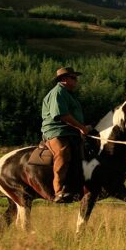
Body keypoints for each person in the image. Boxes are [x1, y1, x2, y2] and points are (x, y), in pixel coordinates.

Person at [41, 67, 92, 203]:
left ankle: (78, 187)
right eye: (73, 77)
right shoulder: (58, 92)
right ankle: (58, 192)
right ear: (64, 79)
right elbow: (62, 115)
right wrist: (81, 127)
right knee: (63, 154)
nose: (76, 80)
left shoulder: (69, 94)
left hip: (71, 132)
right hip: (56, 132)